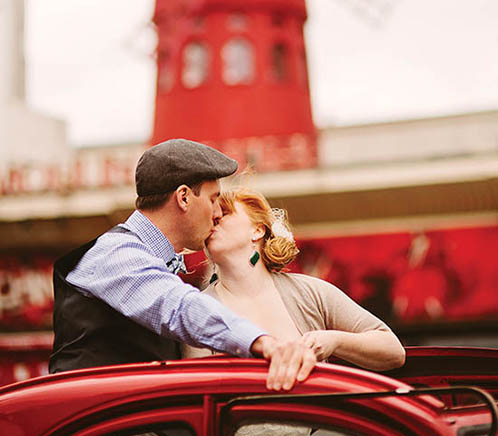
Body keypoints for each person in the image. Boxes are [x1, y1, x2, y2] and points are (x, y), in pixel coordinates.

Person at [49, 140, 316, 390]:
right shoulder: (116, 254)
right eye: (213, 200)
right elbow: (177, 306)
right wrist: (264, 343)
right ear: (184, 198)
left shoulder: (153, 258)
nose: (218, 213)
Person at [183, 188, 406, 371]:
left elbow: (393, 351)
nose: (214, 220)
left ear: (257, 231)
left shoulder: (311, 292)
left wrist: (333, 341)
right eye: (211, 218)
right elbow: (198, 391)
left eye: (224, 213)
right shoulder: (197, 309)